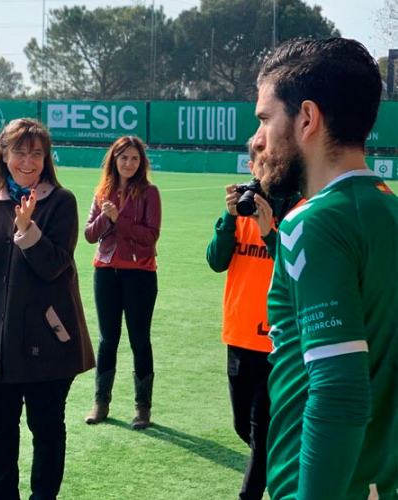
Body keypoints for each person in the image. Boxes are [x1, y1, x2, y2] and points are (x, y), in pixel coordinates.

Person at [254, 38, 397, 500]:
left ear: (307, 119)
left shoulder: (311, 224)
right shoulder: (389, 211)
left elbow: (339, 393)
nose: (257, 140)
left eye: (265, 119)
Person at [0, 118, 94, 500]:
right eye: (20, 152)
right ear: (3, 154)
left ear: (47, 159)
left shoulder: (61, 202)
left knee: (46, 429)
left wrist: (27, 229)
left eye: (37, 153)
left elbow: (54, 265)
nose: (28, 162)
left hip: (48, 340)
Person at [206, 141, 302, 500]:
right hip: (239, 333)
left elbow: (298, 273)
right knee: (243, 426)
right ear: (251, 168)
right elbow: (216, 261)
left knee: (261, 430)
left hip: (278, 341)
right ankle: (284, 464)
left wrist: (269, 233)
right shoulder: (241, 209)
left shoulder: (299, 209)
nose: (268, 171)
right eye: (261, 164)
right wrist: (230, 217)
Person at [82, 135, 161, 430]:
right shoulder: (102, 191)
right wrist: (107, 219)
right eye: (124, 157)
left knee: (139, 340)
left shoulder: (150, 193)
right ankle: (101, 402)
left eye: (135, 158)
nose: (129, 163)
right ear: (114, 159)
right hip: (105, 272)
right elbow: (90, 235)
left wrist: (119, 220)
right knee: (107, 340)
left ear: (141, 163)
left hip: (140, 274)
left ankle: (142, 408)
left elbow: (150, 236)